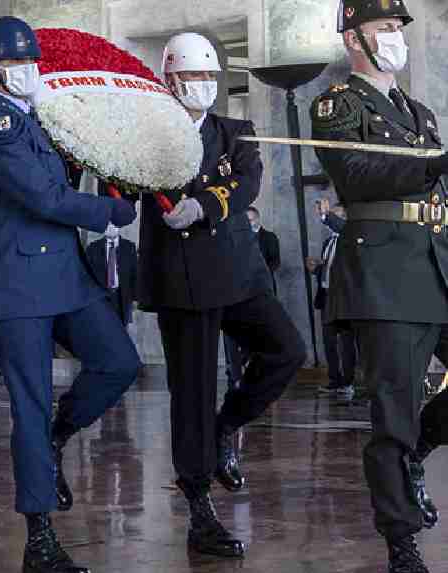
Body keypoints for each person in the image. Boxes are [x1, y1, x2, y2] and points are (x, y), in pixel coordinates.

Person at [0, 17, 141, 573]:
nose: (26, 72)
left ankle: (59, 436)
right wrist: (109, 214)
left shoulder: (44, 118)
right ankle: (39, 538)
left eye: (30, 63)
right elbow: (44, 197)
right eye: (15, 65)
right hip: (19, 282)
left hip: (66, 276)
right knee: (29, 405)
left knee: (118, 363)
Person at [134, 32, 305, 558]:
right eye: (193, 77)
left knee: (286, 350)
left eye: (211, 76)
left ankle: (228, 426)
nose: (204, 86)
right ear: (170, 80)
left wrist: (204, 204)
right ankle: (200, 508)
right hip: (183, 281)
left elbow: (247, 183)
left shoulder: (237, 131)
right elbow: (121, 187)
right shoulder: (146, 134)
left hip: (239, 270)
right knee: (192, 393)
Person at [310, 1, 448, 569]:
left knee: (406, 428)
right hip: (383, 275)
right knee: (392, 414)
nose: (396, 38)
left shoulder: (419, 112)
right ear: (353, 41)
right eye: (385, 28)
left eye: (398, 29)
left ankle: (417, 449)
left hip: (434, 264)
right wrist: (434, 164)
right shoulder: (335, 106)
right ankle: (401, 540)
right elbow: (357, 176)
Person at [306, 198, 356, 397]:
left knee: (346, 343)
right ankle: (334, 380)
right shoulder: (329, 242)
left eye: (337, 216)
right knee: (328, 341)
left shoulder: (350, 238)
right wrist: (316, 268)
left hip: (344, 300)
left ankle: (348, 381)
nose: (332, 220)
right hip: (327, 297)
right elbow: (330, 269)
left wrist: (327, 215)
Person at [86, 225, 137, 326]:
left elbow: (134, 273)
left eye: (114, 225)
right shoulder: (93, 247)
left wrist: (135, 298)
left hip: (122, 296)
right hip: (101, 297)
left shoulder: (129, 246)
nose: (111, 228)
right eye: (108, 225)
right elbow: (87, 275)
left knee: (122, 330)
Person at [247, 206, 281, 289]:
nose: (247, 223)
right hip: (245, 286)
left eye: (250, 220)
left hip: (264, 284)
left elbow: (276, 261)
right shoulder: (241, 237)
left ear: (257, 219)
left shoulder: (269, 236)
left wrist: (261, 274)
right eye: (245, 221)